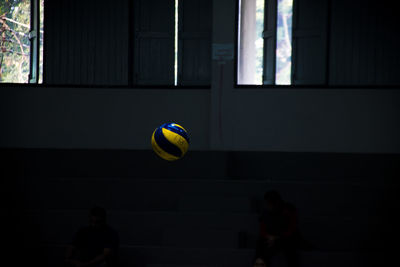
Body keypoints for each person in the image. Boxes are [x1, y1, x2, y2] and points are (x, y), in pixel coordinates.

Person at [256, 190, 300, 267]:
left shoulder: (288, 210)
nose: (268, 205)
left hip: (286, 238)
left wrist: (278, 237)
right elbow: (262, 229)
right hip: (270, 238)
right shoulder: (265, 213)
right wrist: (269, 237)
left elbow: (292, 228)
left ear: (277, 202)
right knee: (261, 248)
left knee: (290, 249)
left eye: (270, 203)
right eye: (267, 203)